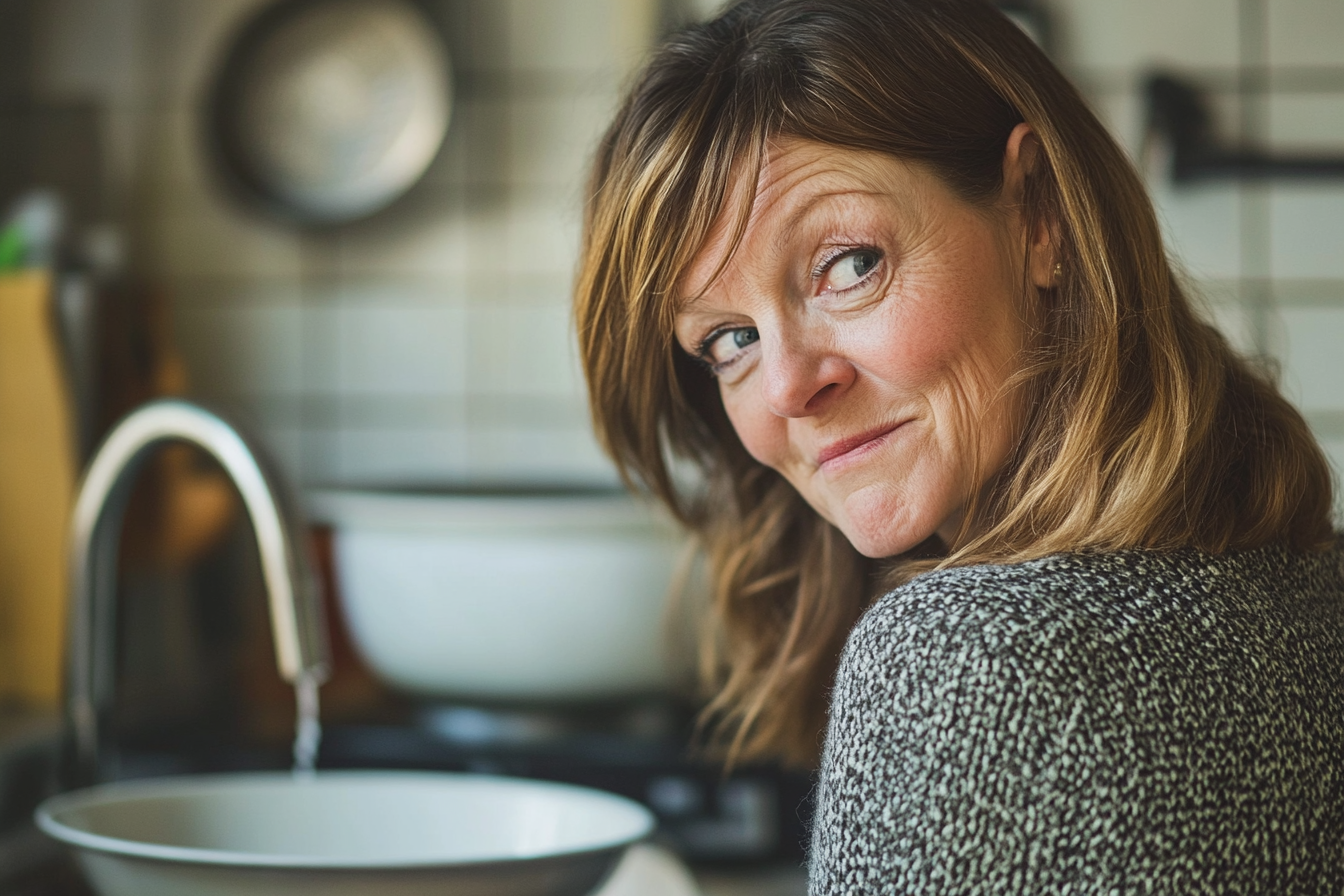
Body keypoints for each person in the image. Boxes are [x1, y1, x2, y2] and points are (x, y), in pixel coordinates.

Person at [573, 0, 1344, 891]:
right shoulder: (1311, 581)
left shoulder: (962, 661)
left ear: (1039, 215)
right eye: (729, 341)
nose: (787, 388)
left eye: (850, 265)